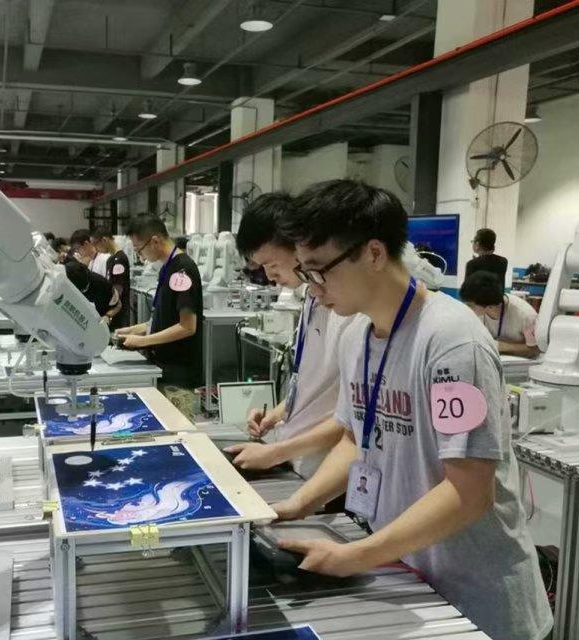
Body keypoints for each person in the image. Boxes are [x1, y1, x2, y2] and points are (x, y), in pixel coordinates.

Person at [273, 180, 552, 640]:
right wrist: (295, 505)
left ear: (374, 253)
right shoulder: (357, 336)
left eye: (320, 271)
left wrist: (355, 556)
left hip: (478, 600)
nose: (314, 289)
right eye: (305, 273)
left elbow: (468, 490)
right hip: (407, 577)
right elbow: (354, 439)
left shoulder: (452, 344)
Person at [222, 192, 349, 479]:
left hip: (326, 471)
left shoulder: (347, 310)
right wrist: (278, 413)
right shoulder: (312, 298)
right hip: (298, 460)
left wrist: (276, 453)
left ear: (299, 246)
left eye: (272, 265)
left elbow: (353, 417)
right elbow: (315, 386)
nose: (269, 276)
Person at [115, 215, 203, 419]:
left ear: (154, 241)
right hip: (162, 368)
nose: (140, 255)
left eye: (139, 249)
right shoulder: (167, 268)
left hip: (178, 375)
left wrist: (142, 341)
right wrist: (133, 330)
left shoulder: (182, 271)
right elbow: (165, 318)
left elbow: (187, 327)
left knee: (179, 430)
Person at [460, 271, 540, 358]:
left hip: (520, 363)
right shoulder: (477, 312)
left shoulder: (526, 316)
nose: (467, 308)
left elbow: (535, 350)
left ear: (490, 306)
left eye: (470, 305)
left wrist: (499, 346)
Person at [91, 228, 131, 331]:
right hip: (110, 307)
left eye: (95, 244)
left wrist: (110, 313)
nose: (95, 248)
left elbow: (118, 289)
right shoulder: (110, 259)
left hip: (118, 310)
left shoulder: (119, 259)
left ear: (104, 240)